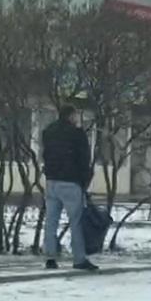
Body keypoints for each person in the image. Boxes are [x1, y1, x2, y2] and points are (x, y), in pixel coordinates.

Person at [42, 105, 97, 271]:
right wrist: (84, 181)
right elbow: (84, 158)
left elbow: (45, 155)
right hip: (71, 182)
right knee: (76, 222)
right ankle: (79, 259)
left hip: (52, 181)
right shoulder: (77, 134)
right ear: (71, 116)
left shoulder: (48, 131)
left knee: (51, 221)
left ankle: (50, 257)